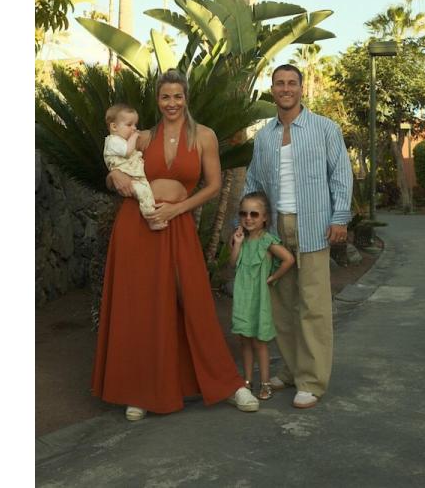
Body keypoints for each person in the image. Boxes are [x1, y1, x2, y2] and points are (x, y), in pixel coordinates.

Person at [93, 69, 260, 421]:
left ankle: (229, 384)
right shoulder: (142, 136)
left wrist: (177, 209)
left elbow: (212, 185)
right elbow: (114, 165)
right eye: (165, 97)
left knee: (195, 299)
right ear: (158, 100)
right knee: (139, 305)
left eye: (177, 96)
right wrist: (114, 176)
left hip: (177, 224)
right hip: (137, 227)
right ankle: (138, 390)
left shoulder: (204, 136)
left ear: (186, 98)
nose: (172, 103)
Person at [239, 64, 353, 409]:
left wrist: (340, 218)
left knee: (313, 305)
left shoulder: (325, 129)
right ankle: (290, 371)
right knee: (282, 306)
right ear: (271, 90)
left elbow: (341, 176)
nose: (285, 88)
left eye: (291, 83)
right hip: (274, 230)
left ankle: (312, 380)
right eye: (279, 84)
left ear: (302, 89)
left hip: (314, 225)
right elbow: (253, 183)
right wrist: (244, 225)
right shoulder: (263, 136)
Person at [229, 191, 295, 400]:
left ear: (265, 217)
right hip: (242, 297)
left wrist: (272, 277)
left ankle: (265, 382)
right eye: (244, 213)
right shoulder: (241, 239)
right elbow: (233, 263)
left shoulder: (268, 241)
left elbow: (288, 259)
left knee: (260, 342)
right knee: (244, 340)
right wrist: (237, 244)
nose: (248, 218)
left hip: (259, 299)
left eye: (254, 214)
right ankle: (247, 381)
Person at [102, 103, 165, 230]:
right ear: (114, 126)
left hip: (134, 175)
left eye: (135, 125)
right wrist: (135, 136)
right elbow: (127, 151)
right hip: (130, 177)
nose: (134, 128)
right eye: (129, 125)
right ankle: (151, 218)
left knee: (145, 192)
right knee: (144, 193)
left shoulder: (121, 141)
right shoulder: (113, 141)